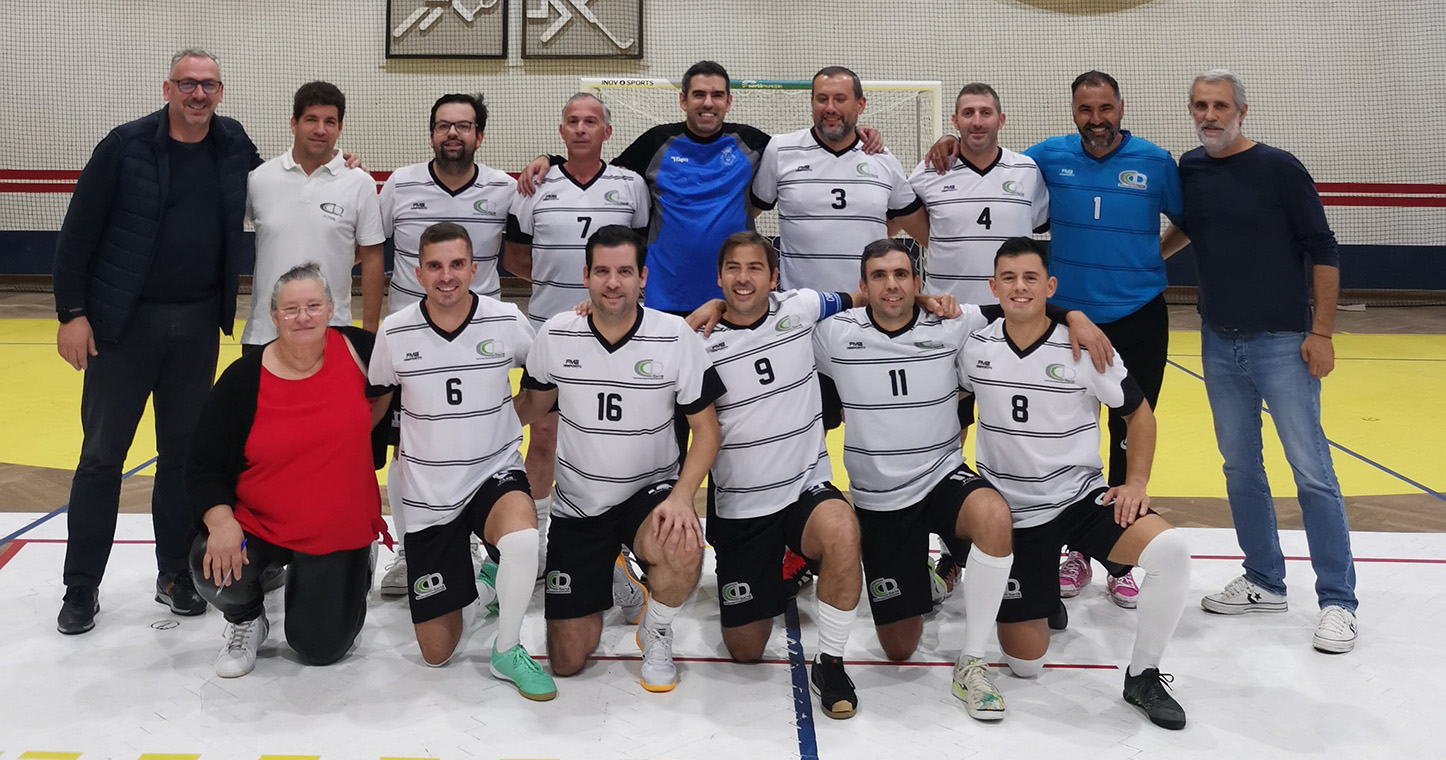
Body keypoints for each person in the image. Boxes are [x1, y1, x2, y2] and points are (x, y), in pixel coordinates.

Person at [811, 238, 1111, 721]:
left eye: (903, 274)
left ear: (918, 281)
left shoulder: (956, 323)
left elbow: (1022, 300)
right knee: (899, 649)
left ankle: (971, 660)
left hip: (942, 474)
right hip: (879, 499)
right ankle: (944, 572)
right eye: (880, 276)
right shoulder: (832, 335)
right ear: (862, 286)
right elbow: (768, 324)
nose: (892, 284)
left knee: (992, 511)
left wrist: (1073, 314)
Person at [931, 71, 1182, 606]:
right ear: (1073, 112)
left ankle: (1116, 557)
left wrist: (1148, 259)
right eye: (1085, 110)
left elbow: (1189, 222)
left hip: (1137, 312)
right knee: (1049, 423)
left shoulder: (1158, 162)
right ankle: (1040, 546)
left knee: (1125, 425)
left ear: (1121, 106)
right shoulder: (1045, 157)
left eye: (1105, 109)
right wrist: (953, 143)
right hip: (1066, 316)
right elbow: (991, 156)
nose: (1096, 120)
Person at [53, 49, 262, 635]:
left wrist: (334, 167)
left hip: (197, 326)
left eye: (209, 85)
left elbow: (278, 181)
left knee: (181, 459)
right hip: (123, 328)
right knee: (100, 459)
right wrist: (72, 312)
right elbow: (78, 233)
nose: (199, 95)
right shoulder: (125, 146)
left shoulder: (232, 143)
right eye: (188, 84)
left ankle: (173, 574)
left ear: (221, 92)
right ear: (167, 87)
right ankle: (80, 587)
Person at [959, 237, 1192, 729]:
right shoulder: (974, 347)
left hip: (1080, 498)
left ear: (1050, 286)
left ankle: (1143, 674)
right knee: (1026, 665)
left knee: (1172, 552)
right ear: (993, 286)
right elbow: (956, 412)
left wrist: (1137, 482)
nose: (1019, 288)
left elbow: (1139, 415)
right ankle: (1043, 599)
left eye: (1030, 278)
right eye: (1008, 278)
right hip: (1012, 513)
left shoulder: (1084, 347)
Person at [1162, 69, 1358, 654]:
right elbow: (1186, 230)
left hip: (1283, 342)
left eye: (1220, 105)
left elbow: (1322, 247)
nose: (1210, 114)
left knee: (1312, 473)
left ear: (1242, 111)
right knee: (1240, 467)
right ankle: (1265, 579)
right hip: (1219, 342)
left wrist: (1321, 331)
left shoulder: (1280, 168)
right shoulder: (1190, 169)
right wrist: (1145, 261)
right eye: (1200, 105)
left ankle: (1338, 602)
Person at [515, 225, 723, 693]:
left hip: (648, 496)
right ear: (586, 276)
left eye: (625, 272)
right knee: (567, 660)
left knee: (683, 542)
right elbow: (530, 407)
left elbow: (707, 432)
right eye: (603, 272)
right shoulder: (558, 334)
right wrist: (475, 427)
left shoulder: (673, 336)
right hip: (579, 507)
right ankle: (618, 574)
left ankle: (657, 628)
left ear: (643, 277)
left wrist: (683, 497)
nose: (613, 283)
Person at [517, 61, 887, 315]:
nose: (707, 103)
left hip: (736, 296)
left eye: (716, 95)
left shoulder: (755, 143)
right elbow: (596, 170)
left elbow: (814, 142)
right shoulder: (656, 142)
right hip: (666, 297)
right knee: (671, 414)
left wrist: (860, 135)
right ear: (683, 100)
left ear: (728, 100)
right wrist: (549, 159)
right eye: (698, 95)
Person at [368, 223, 555, 700]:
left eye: (456, 265)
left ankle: (508, 649)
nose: (446, 276)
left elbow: (543, 387)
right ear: (418, 272)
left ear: (474, 268)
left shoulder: (505, 320)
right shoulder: (395, 331)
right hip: (427, 492)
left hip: (493, 470)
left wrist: (507, 420)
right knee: (437, 652)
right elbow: (377, 410)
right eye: (435, 265)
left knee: (523, 538)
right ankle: (484, 585)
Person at [186, 263, 392, 677]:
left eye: (314, 305)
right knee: (214, 572)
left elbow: (395, 386)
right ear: (273, 315)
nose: (303, 317)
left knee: (317, 648)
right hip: (260, 522)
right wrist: (220, 519)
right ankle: (247, 620)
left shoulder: (363, 351)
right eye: (291, 308)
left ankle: (355, 563)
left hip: (336, 527)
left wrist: (357, 434)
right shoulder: (243, 379)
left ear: (332, 308)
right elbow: (202, 463)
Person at [504, 93, 650, 574]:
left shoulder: (630, 185)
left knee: (611, 439)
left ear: (608, 132)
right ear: (561, 129)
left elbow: (641, 253)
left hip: (615, 334)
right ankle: (538, 538)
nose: (582, 128)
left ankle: (616, 540)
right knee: (543, 437)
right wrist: (561, 295)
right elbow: (515, 258)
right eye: (573, 121)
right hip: (551, 330)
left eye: (592, 121)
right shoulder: (534, 187)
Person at [377, 92, 516, 593]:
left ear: (480, 134)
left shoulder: (505, 188)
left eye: (463, 126)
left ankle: (477, 539)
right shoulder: (400, 184)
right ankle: (408, 546)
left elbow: (524, 251)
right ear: (431, 132)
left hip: (479, 344)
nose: (452, 134)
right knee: (406, 447)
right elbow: (370, 246)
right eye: (443, 125)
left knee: (474, 442)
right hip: (410, 340)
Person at [750, 66, 927, 293]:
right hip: (803, 310)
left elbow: (924, 232)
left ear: (860, 105)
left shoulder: (884, 160)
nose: (830, 108)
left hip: (867, 310)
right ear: (812, 102)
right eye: (822, 99)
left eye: (840, 99)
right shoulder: (781, 149)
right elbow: (745, 215)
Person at [241, 81, 384, 353]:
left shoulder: (359, 183)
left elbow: (373, 256)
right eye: (311, 119)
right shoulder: (259, 179)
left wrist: (369, 333)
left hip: (332, 335)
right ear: (293, 123)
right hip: (264, 336)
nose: (320, 129)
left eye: (330, 121)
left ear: (340, 127)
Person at [907, 83, 1049, 304]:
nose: (977, 122)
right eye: (968, 113)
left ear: (1001, 120)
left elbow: (1040, 222)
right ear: (955, 121)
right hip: (945, 312)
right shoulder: (929, 170)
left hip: (1011, 314)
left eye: (985, 113)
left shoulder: (1027, 170)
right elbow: (897, 219)